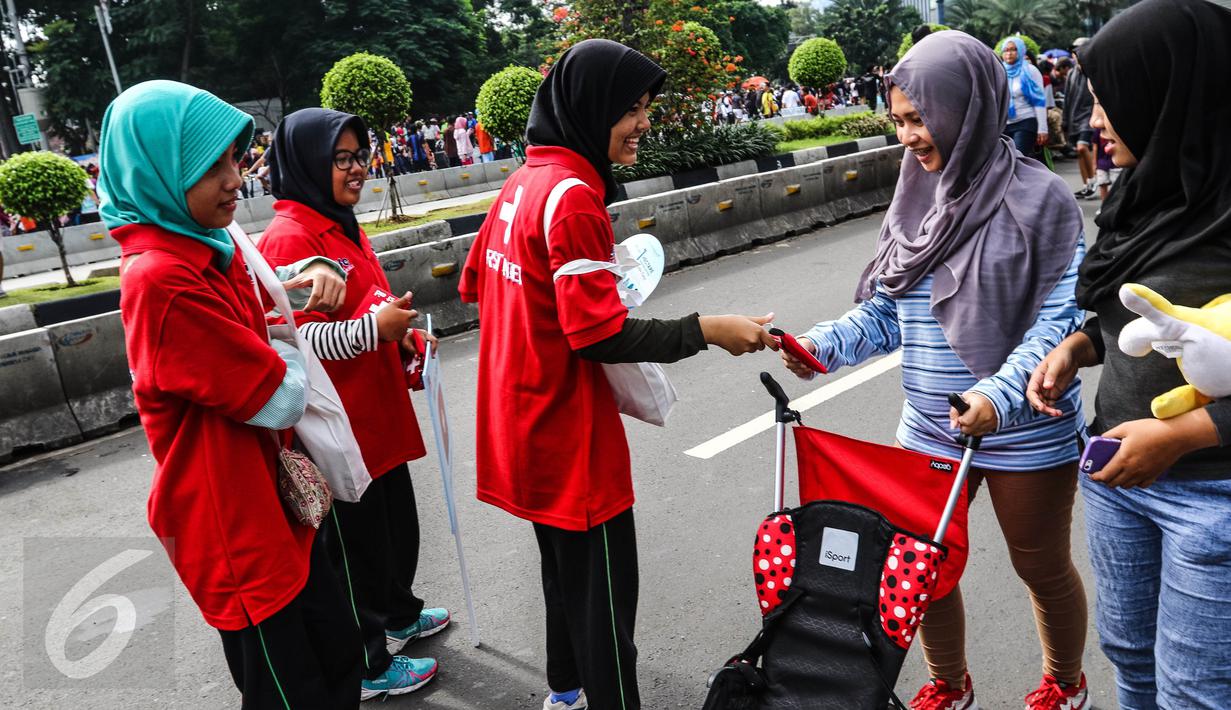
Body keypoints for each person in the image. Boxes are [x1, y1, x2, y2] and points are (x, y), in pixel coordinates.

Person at [458, 38, 778, 710]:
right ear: (591, 106)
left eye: (644, 108)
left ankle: (564, 693)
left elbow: (472, 284)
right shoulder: (572, 195)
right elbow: (595, 332)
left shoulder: (523, 181)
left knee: (561, 575)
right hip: (567, 435)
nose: (642, 123)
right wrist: (707, 329)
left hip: (516, 423)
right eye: (630, 109)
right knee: (605, 606)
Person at [780, 31, 1090, 710]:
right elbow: (888, 311)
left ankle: (1065, 683)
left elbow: (1059, 322)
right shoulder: (915, 196)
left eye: (918, 120)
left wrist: (995, 397)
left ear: (966, 107)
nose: (908, 139)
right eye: (897, 121)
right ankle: (948, 684)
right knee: (920, 571)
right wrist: (820, 345)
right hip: (929, 427)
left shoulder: (1043, 202)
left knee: (1038, 565)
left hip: (1022, 428)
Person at [98, 80, 362, 709]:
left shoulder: (203, 248)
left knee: (339, 660)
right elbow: (278, 398)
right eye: (210, 164)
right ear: (157, 169)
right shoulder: (162, 276)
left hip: (269, 508)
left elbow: (263, 339)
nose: (234, 179)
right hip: (236, 528)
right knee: (296, 690)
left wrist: (276, 342)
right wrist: (288, 350)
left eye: (235, 160)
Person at [1028, 1, 1231, 705]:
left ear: (1171, 95)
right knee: (1130, 661)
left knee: (1194, 692)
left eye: (1110, 101)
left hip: (1213, 494)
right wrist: (1080, 346)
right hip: (1117, 480)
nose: (1093, 120)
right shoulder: (1148, 194)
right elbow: (1128, 310)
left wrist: (1180, 435)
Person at [258, 107, 450, 702]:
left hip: (377, 413)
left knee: (392, 533)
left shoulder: (339, 224)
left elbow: (371, 302)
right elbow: (291, 339)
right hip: (341, 429)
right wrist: (376, 331)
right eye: (341, 159)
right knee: (355, 553)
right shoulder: (291, 237)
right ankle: (368, 663)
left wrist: (405, 335)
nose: (356, 169)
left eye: (360, 156)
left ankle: (398, 613)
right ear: (311, 164)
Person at [999, 37, 1048, 159]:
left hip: (1025, 121)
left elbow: (1039, 101)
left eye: (1013, 49)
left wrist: (1042, 128)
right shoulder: (999, 70)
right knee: (1003, 161)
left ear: (1021, 51)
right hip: (1004, 124)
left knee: (1017, 158)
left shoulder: (1030, 71)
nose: (1009, 53)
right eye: (1006, 50)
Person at [1064, 38, 1097, 198]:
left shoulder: (1094, 69)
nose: (1076, 53)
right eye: (1074, 50)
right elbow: (1067, 98)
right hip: (1074, 116)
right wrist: (1065, 120)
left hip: (1089, 115)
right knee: (1079, 151)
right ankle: (1087, 185)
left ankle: (1093, 180)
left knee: (1083, 147)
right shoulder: (1071, 72)